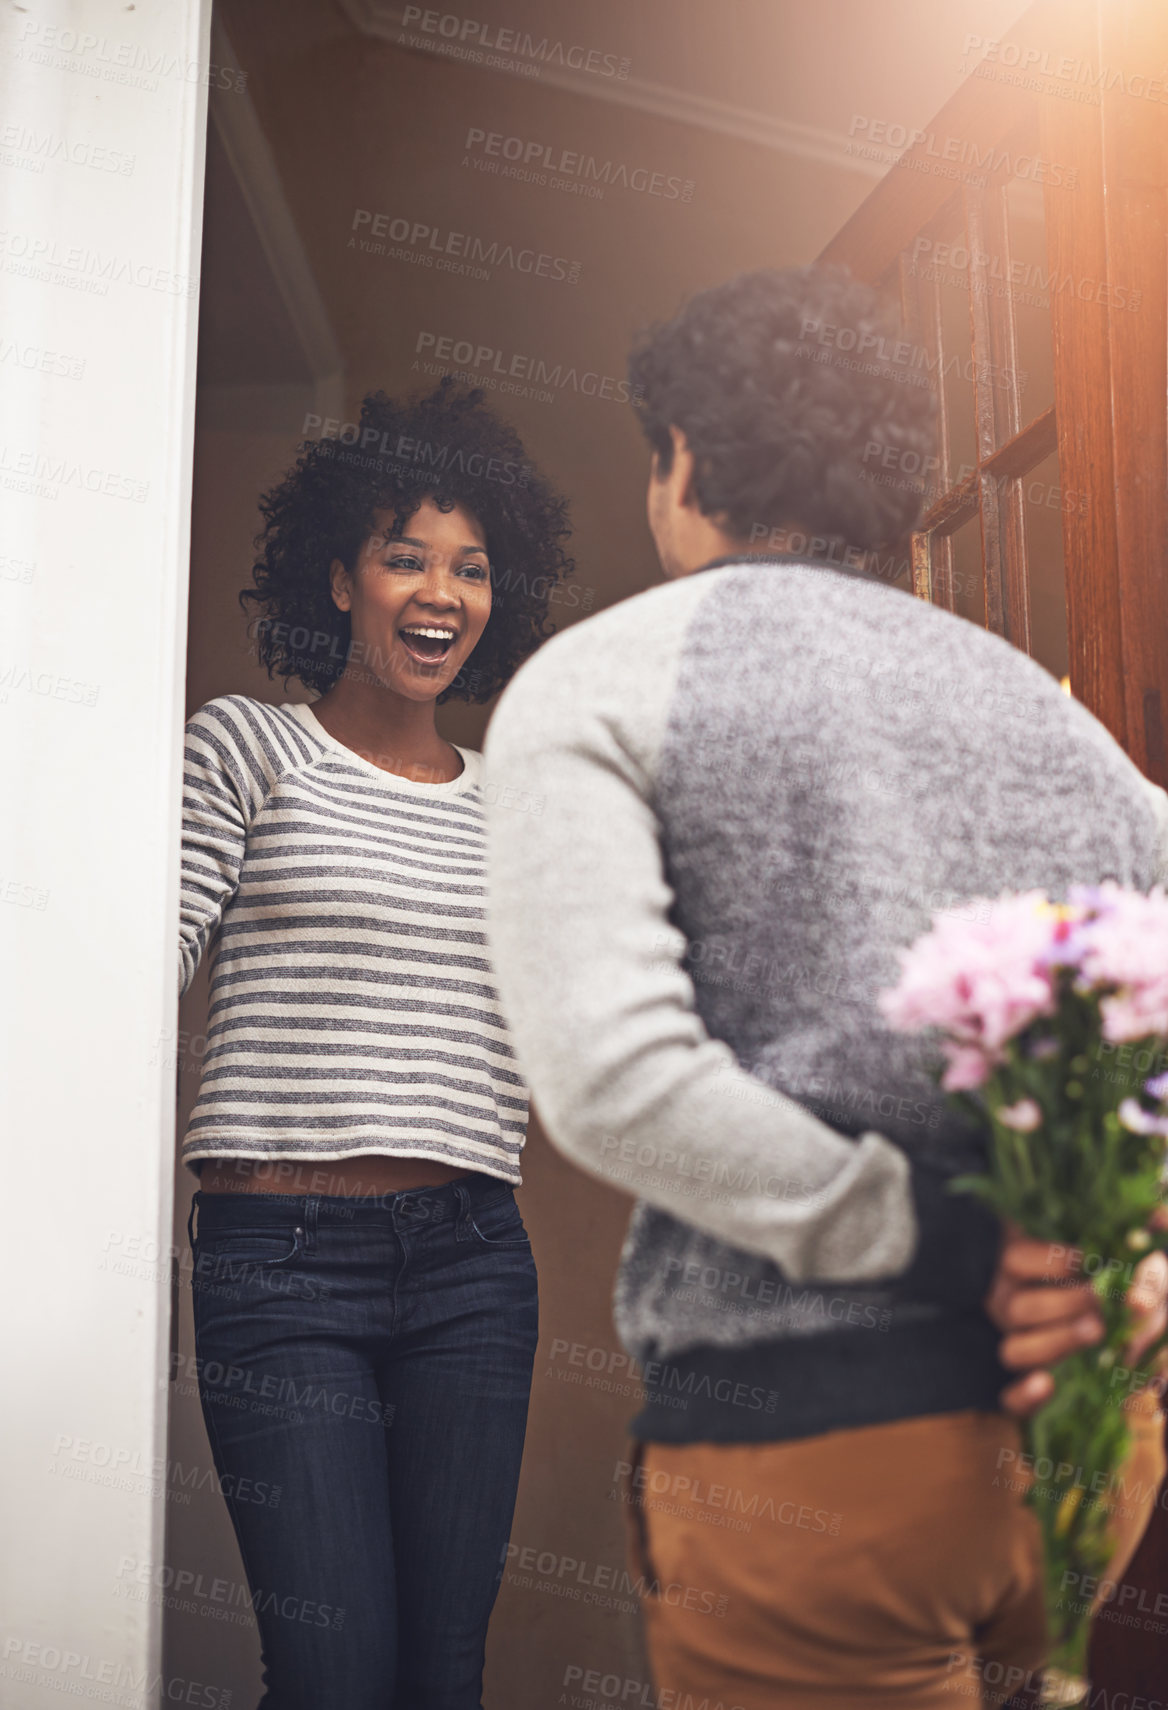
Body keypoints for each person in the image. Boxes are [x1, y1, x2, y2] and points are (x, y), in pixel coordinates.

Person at [480, 266, 1168, 1708]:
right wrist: (1120, 1258)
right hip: (1091, 1454)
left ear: (679, 463)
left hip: (819, 1460)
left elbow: (611, 1077)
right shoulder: (1068, 730)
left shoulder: (600, 681)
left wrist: (938, 1234)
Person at [178, 380, 572, 1710]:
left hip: (469, 1269)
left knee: (437, 1676)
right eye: (407, 553)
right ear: (340, 573)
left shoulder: (517, 809)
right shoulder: (248, 749)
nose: (439, 591)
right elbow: (136, 967)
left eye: (470, 565)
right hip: (278, 1269)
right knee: (335, 1669)